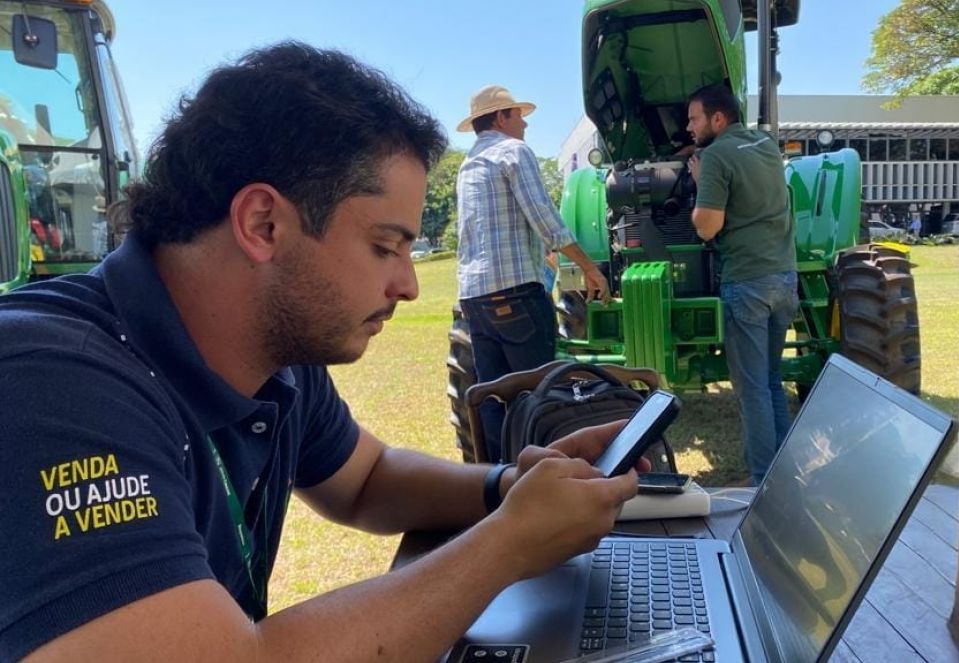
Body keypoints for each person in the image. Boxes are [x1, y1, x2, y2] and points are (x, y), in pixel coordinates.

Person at [0, 43, 643, 663]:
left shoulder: (274, 353)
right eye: (385, 246)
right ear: (263, 225)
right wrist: (509, 544)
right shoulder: (48, 382)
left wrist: (510, 487)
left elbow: (366, 481)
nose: (409, 284)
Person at [455, 85, 609, 462]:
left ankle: (497, 477)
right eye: (518, 114)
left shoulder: (468, 164)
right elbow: (547, 221)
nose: (524, 123)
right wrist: (591, 269)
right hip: (516, 293)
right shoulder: (513, 152)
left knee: (492, 394)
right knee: (538, 391)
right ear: (500, 118)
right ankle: (540, 473)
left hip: (475, 297)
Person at [685, 84, 799, 485]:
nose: (688, 126)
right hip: (784, 278)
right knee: (770, 380)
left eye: (694, 118)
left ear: (719, 119)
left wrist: (701, 183)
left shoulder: (715, 157)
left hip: (747, 283)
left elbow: (707, 226)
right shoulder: (767, 145)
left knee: (752, 390)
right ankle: (784, 470)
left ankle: (764, 480)